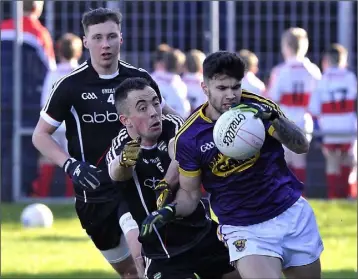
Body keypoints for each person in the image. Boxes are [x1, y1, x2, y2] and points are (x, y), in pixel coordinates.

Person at [141, 51, 324, 279]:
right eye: (222, 88)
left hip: (290, 213)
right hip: (244, 229)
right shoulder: (190, 137)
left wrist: (274, 120)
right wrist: (169, 210)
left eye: (235, 87)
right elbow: (189, 193)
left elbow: (301, 145)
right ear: (205, 87)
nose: (231, 95)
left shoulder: (256, 107)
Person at [32, 7, 175, 279]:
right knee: (129, 272)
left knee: (145, 262)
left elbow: (170, 119)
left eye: (111, 36)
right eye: (97, 38)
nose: (105, 44)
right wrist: (71, 166)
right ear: (85, 42)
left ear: (121, 38)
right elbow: (40, 135)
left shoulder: (139, 79)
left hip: (134, 183)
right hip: (93, 193)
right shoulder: (69, 86)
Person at [106, 77, 239, 279]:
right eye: (142, 108)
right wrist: (125, 161)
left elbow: (181, 151)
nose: (153, 112)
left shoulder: (174, 125)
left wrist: (166, 181)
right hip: (162, 249)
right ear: (126, 120)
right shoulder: (120, 145)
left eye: (156, 103)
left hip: (201, 233)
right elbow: (116, 172)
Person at [1, 0, 56, 200]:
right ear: (37, 7)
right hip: (27, 102)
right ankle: (17, 193)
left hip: (2, 99)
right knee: (25, 149)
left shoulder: (2, 28)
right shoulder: (39, 33)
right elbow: (50, 73)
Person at [266, 27, 321, 185]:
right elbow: (317, 101)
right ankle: (300, 196)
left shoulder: (280, 71)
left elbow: (272, 98)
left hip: (284, 119)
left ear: (286, 47)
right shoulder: (313, 70)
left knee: (282, 160)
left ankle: (285, 196)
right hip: (304, 119)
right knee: (299, 161)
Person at [32, 32, 83, 198]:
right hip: (74, 127)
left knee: (47, 160)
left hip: (53, 126)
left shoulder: (53, 74)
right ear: (79, 52)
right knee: (73, 161)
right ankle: (74, 197)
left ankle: (42, 196)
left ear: (59, 52)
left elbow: (44, 103)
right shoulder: (82, 73)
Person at [309, 43, 357, 199]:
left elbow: (314, 109)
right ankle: (347, 195)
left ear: (326, 60)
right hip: (347, 127)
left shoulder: (323, 80)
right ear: (343, 60)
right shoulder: (350, 77)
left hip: (329, 127)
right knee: (347, 160)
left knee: (332, 161)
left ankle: (334, 196)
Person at [151, 45, 191, 118]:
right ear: (179, 66)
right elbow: (185, 110)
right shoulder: (181, 85)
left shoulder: (151, 78)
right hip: (177, 121)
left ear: (164, 63)